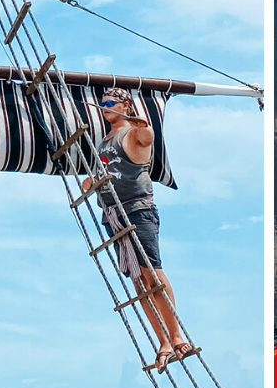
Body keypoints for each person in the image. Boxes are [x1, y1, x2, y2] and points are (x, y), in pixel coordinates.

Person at [82, 88, 194, 372]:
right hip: (113, 217)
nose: (105, 107)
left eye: (111, 103)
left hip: (137, 209)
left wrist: (138, 122)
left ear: (124, 105)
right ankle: (163, 341)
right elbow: (105, 171)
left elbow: (147, 138)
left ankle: (177, 335)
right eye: (103, 103)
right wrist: (91, 183)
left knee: (152, 272)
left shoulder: (131, 133)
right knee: (138, 281)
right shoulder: (104, 141)